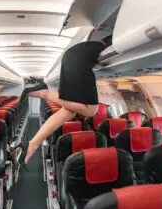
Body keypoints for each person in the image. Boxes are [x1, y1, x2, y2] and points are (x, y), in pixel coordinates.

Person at [19, 35, 112, 166]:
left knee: (68, 111)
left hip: (72, 56)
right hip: (79, 59)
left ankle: (32, 144)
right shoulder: (126, 35)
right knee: (91, 110)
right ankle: (44, 93)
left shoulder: (106, 39)